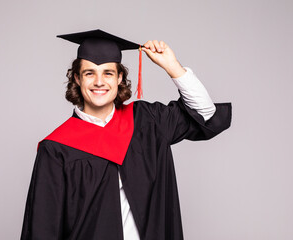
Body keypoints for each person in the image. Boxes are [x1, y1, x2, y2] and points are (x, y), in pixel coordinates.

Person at [21, 29, 232, 240]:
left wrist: (172, 66)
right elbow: (42, 227)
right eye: (89, 73)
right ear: (77, 78)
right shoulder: (57, 148)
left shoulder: (147, 122)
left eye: (108, 73)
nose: (99, 82)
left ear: (120, 77)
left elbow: (206, 113)